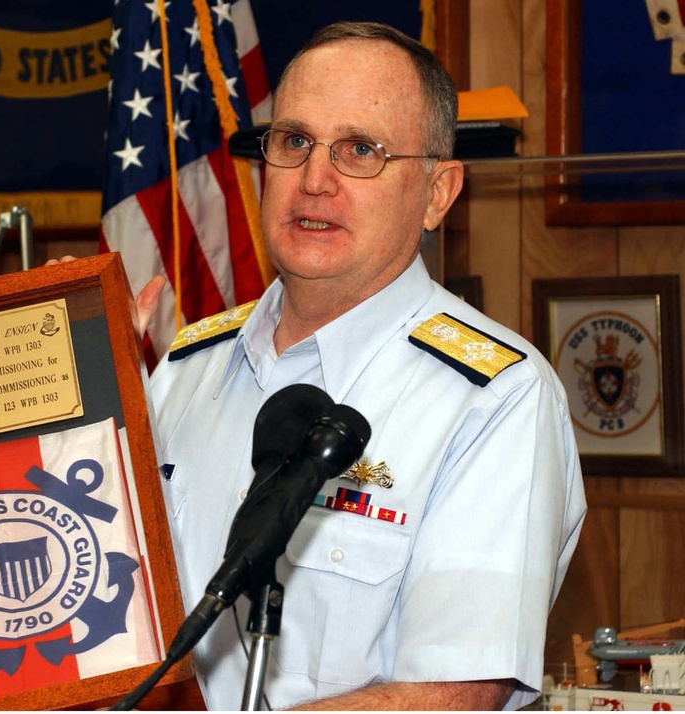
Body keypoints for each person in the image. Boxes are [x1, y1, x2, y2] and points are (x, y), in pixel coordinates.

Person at [58, 20, 586, 711]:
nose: (314, 180)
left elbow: (450, 697)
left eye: (360, 150)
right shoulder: (183, 369)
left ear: (438, 193)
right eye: (294, 141)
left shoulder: (496, 400)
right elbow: (90, 615)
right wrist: (82, 400)